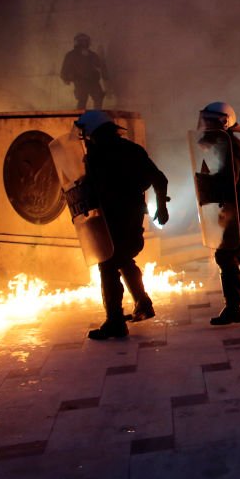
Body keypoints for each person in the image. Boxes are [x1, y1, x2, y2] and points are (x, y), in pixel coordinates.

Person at [74, 110, 169, 340]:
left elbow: (91, 188)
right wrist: (161, 207)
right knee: (124, 258)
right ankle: (143, 304)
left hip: (110, 219)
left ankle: (115, 321)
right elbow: (159, 178)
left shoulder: (96, 156)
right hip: (132, 216)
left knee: (107, 265)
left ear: (93, 132)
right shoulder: (132, 150)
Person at [198, 101, 240, 325]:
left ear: (223, 122)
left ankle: (234, 308)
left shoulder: (229, 146)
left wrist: (206, 184)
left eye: (210, 120)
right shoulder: (223, 144)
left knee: (227, 255)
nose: (205, 124)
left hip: (237, 208)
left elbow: (228, 181)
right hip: (239, 206)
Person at [61, 33, 107, 110]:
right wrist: (65, 77)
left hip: (92, 80)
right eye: (82, 41)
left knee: (98, 97)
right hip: (80, 80)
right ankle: (80, 116)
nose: (84, 43)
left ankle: (96, 115)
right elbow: (65, 68)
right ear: (78, 42)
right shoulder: (71, 55)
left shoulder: (91, 54)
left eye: (85, 41)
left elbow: (98, 65)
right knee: (82, 99)